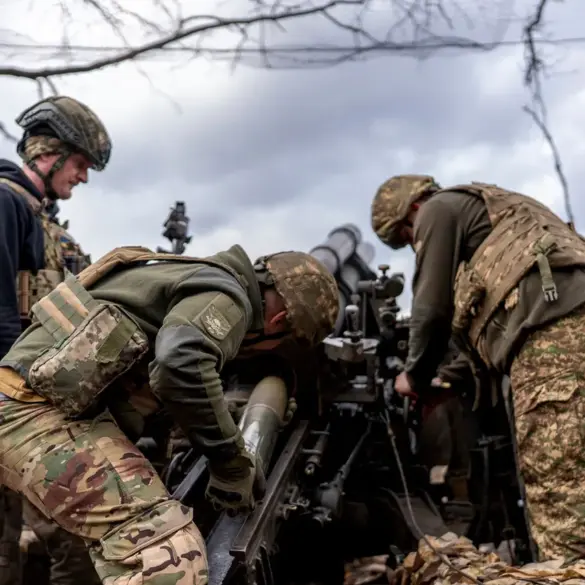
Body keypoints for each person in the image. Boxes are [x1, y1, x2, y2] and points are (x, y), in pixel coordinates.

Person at [0, 243, 339, 585]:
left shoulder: (187, 277)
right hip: (30, 412)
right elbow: (179, 363)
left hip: (22, 403)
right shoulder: (229, 296)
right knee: (170, 558)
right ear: (278, 322)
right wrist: (230, 461)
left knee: (86, 554)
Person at [370, 174, 585, 561]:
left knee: (561, 503)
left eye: (406, 237)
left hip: (554, 346)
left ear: (412, 210)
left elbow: (431, 309)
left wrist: (414, 376)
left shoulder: (436, 209)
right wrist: (450, 378)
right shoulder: (500, 208)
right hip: (569, 334)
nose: (414, 244)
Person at [0, 95, 111, 584]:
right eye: (80, 164)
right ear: (49, 154)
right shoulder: (7, 202)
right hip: (15, 398)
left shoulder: (35, 215)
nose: (83, 177)